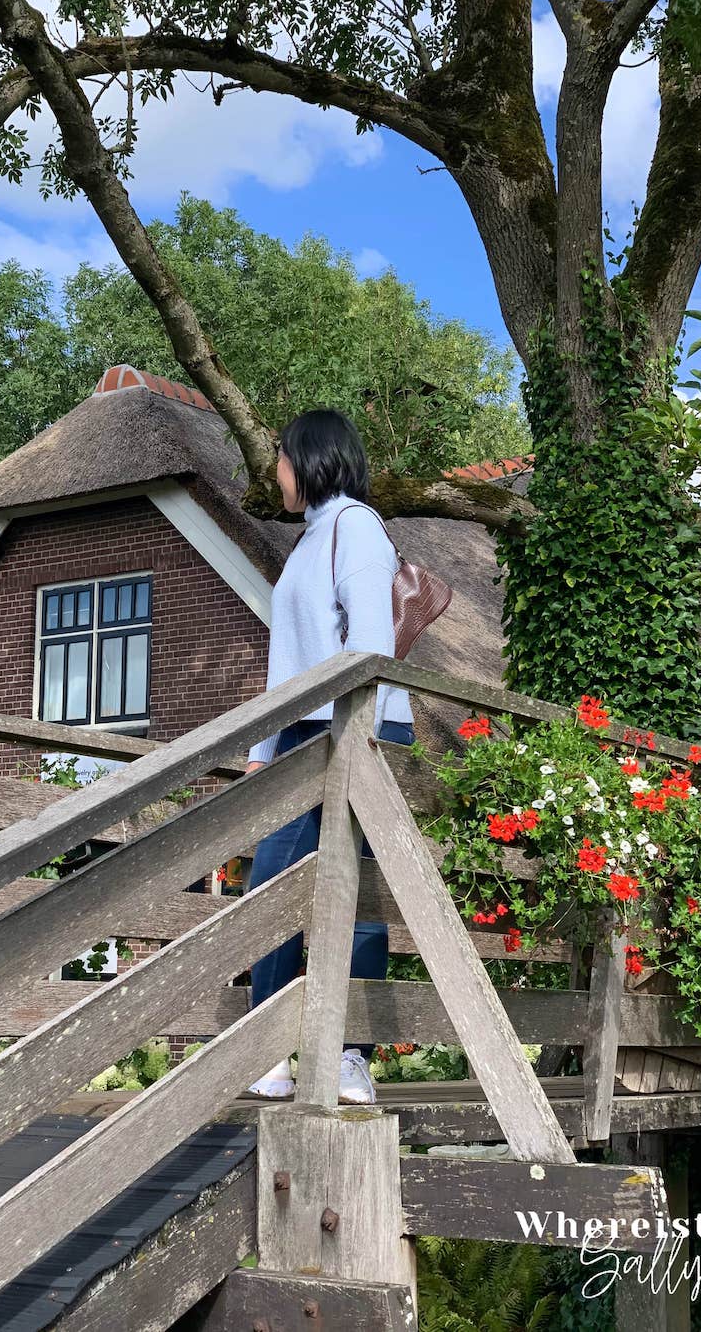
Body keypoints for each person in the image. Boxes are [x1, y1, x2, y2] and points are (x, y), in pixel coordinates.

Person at [243, 407, 415, 1105]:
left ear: (309, 459)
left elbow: (371, 642)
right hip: (301, 728)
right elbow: (287, 664)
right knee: (272, 882)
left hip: (356, 723)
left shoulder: (355, 527)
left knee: (359, 894)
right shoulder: (306, 543)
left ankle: (349, 1056)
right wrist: (262, 749)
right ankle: (270, 1047)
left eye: (280, 458)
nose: (275, 472)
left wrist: (361, 734)